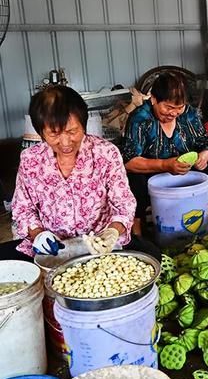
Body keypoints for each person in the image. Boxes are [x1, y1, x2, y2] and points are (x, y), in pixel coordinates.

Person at [0, 86, 161, 261]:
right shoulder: (31, 159)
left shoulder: (105, 153)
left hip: (99, 245)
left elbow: (124, 203)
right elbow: (23, 209)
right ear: (41, 133)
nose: (65, 142)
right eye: (54, 133)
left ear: (83, 126)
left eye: (72, 131)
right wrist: (38, 234)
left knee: (151, 253)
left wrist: (113, 230)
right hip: (54, 250)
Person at [122, 72, 208, 235]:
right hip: (153, 174)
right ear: (154, 99)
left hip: (186, 170)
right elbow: (129, 161)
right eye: (168, 107)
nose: (173, 113)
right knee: (133, 180)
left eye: (179, 108)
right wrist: (165, 165)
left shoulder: (189, 114)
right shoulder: (140, 119)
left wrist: (204, 156)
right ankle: (136, 231)